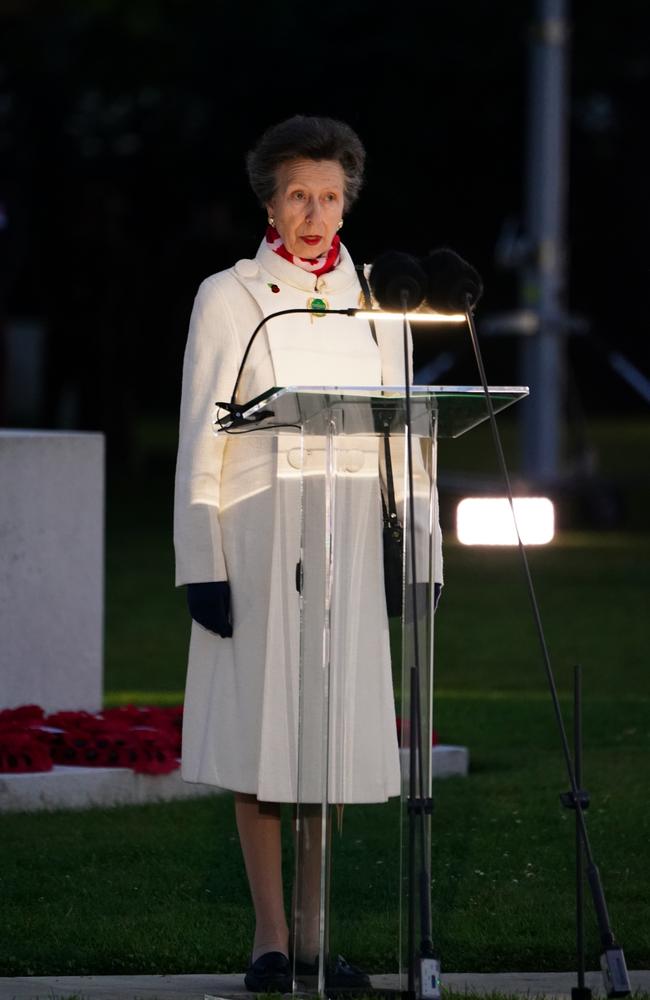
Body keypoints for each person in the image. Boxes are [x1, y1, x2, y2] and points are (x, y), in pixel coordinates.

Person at [174, 115, 443, 993]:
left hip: (347, 548)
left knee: (326, 738)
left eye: (330, 196)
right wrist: (199, 558)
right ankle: (271, 936)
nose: (315, 212)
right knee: (262, 734)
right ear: (270, 199)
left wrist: (421, 552)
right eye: (299, 195)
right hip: (256, 537)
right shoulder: (230, 294)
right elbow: (199, 433)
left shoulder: (383, 300)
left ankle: (320, 935)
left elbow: (409, 436)